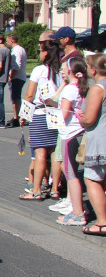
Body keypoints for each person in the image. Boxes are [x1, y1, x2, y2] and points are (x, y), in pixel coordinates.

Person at [20, 35, 61, 201]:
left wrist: (24, 115)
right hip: (56, 113)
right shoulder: (60, 70)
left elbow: (30, 95)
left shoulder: (39, 70)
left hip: (40, 113)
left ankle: (36, 189)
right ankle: (55, 188)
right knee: (54, 152)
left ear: (45, 53)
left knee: (40, 154)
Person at [54, 57, 88, 226]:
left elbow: (63, 115)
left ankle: (78, 213)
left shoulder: (69, 90)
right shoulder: (83, 88)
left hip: (69, 134)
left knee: (72, 175)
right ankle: (79, 209)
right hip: (81, 132)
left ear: (70, 71)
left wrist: (50, 114)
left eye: (64, 68)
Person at [79, 54, 106, 235]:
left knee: (92, 179)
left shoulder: (98, 88)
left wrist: (82, 120)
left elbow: (89, 119)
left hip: (100, 140)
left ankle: (103, 222)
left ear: (93, 69)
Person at [7, 33, 27, 127]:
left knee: (15, 98)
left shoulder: (16, 50)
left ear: (12, 40)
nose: (7, 42)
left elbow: (16, 65)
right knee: (16, 97)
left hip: (17, 77)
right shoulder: (20, 49)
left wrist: (11, 76)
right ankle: (17, 116)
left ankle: (17, 117)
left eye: (8, 40)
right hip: (20, 76)